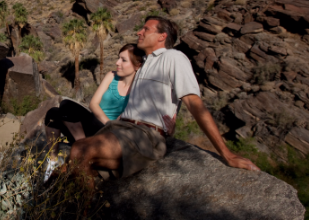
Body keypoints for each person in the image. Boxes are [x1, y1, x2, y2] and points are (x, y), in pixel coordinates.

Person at [69, 16, 259, 187]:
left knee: (80, 149)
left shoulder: (174, 58)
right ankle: (83, 214)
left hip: (144, 136)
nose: (139, 32)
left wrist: (226, 153)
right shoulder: (143, 65)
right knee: (66, 171)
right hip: (120, 130)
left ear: (162, 36)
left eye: (146, 29)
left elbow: (193, 103)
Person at [44, 44, 145, 144]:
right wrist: (108, 123)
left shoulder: (140, 88)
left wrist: (112, 127)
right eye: (118, 58)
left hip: (113, 133)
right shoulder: (111, 76)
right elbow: (93, 103)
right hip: (97, 123)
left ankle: (83, 148)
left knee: (63, 107)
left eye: (123, 60)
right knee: (54, 112)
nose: (117, 62)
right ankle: (55, 159)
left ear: (137, 65)